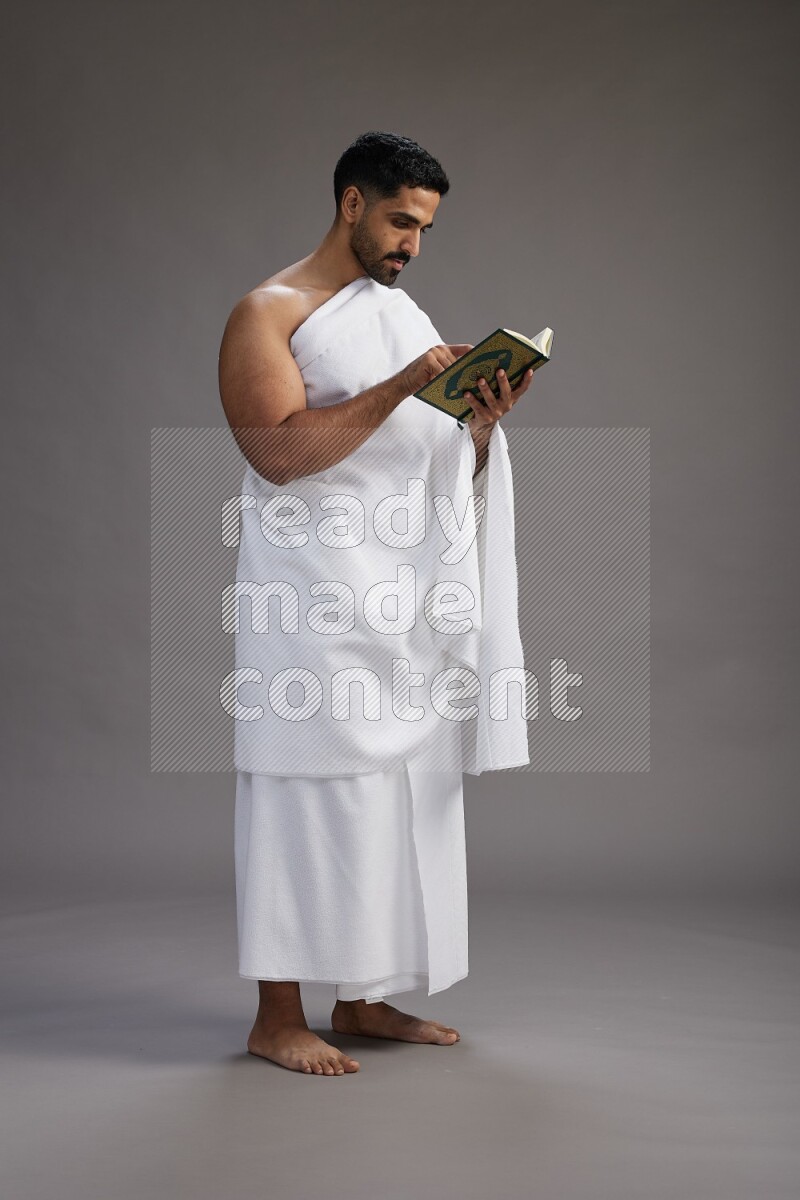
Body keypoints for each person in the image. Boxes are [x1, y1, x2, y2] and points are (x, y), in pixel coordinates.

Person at [218, 131, 535, 1076]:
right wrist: (407, 385)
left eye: (425, 229)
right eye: (401, 221)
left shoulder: (400, 313)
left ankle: (358, 997)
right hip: (308, 600)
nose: (411, 247)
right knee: (300, 791)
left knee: (399, 802)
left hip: (401, 601)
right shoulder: (267, 312)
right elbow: (276, 455)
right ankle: (278, 1015)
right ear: (352, 203)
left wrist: (476, 429)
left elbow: (427, 464)